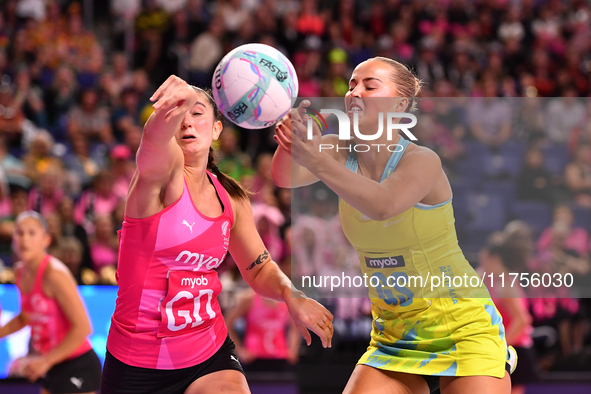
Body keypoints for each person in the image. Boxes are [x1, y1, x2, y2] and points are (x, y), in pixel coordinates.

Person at [272, 57, 515, 394]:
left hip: (463, 329)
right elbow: (283, 176)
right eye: (352, 85)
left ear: (400, 103)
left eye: (370, 86)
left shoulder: (422, 161)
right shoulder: (338, 152)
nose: (355, 92)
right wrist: (294, 136)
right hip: (394, 338)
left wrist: (313, 156)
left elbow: (383, 205)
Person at [101, 76, 333, 394]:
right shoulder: (156, 181)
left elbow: (259, 267)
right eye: (178, 114)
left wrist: (291, 295)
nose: (187, 122)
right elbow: (153, 143)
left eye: (197, 113)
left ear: (216, 130)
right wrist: (173, 103)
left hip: (208, 352)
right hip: (138, 362)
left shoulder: (231, 199)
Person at [0, 211, 101, 393]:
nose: (24, 239)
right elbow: (25, 317)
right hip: (53, 364)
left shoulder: (54, 274)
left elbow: (84, 327)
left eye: (31, 233)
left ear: (46, 240)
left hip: (78, 364)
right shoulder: (20, 273)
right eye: (19, 233)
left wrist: (45, 362)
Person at [479, 232, 538, 394]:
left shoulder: (506, 285)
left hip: (516, 349)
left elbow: (523, 320)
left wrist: (502, 346)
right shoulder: (494, 281)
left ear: (495, 259)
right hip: (509, 349)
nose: (482, 263)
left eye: (485, 259)